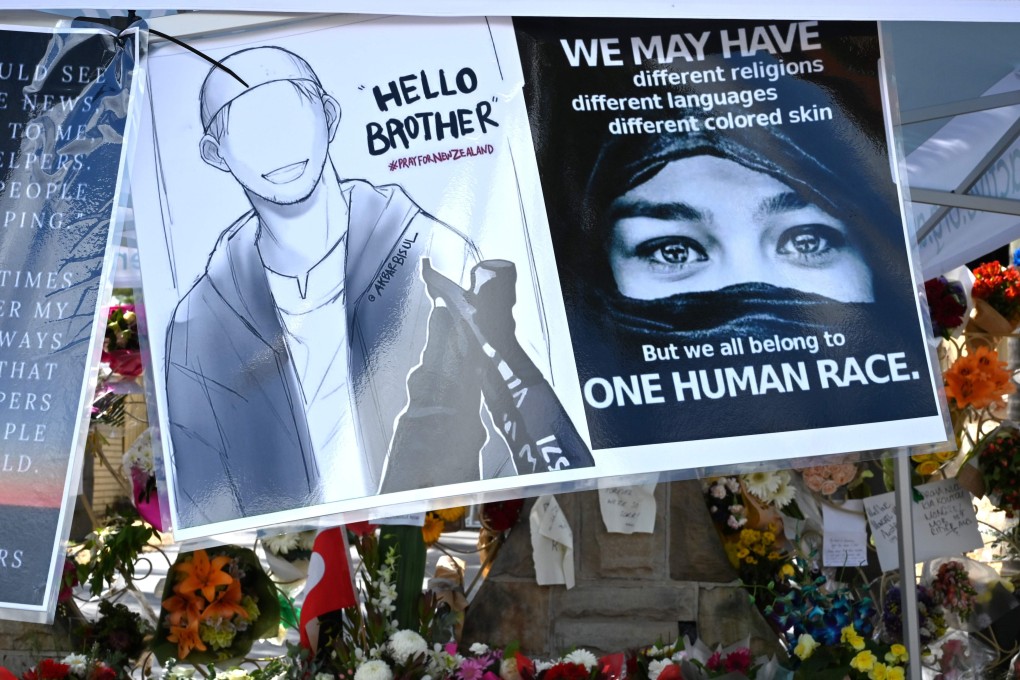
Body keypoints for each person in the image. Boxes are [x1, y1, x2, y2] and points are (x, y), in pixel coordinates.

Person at [163, 46, 488, 528]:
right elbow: (205, 502)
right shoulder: (197, 329)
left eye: (291, 111)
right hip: (299, 577)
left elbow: (499, 435)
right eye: (246, 125)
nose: (277, 145)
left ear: (328, 117)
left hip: (434, 546)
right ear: (215, 154)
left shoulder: (437, 256)